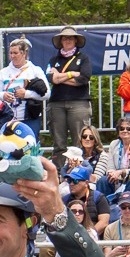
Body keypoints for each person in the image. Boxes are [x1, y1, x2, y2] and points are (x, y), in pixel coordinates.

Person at [46, 27, 92, 160]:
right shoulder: (53, 60)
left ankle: (80, 171)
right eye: (64, 38)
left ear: (76, 40)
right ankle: (60, 172)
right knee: (59, 142)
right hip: (56, 104)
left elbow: (83, 79)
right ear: (60, 41)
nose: (67, 40)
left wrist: (60, 77)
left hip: (79, 103)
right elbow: (51, 78)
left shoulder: (84, 58)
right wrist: (72, 74)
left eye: (70, 38)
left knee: (80, 140)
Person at [0, 37, 48, 137]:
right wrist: (3, 95)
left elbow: (47, 94)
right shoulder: (4, 72)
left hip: (30, 118)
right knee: (7, 147)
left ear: (24, 53)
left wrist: (26, 94)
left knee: (29, 147)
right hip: (8, 117)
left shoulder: (35, 70)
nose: (12, 56)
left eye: (15, 53)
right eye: (10, 53)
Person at [94, 118, 130, 198]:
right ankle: (104, 206)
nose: (125, 131)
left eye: (129, 128)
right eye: (122, 128)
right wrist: (112, 174)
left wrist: (122, 172)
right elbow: (110, 167)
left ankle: (129, 205)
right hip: (117, 178)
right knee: (103, 180)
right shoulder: (114, 144)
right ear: (118, 132)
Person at [64, 165, 111, 237]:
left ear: (86, 183)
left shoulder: (99, 197)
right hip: (70, 239)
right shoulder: (65, 200)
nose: (71, 184)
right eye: (69, 180)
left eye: (75, 181)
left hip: (93, 240)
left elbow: (104, 222)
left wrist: (88, 236)